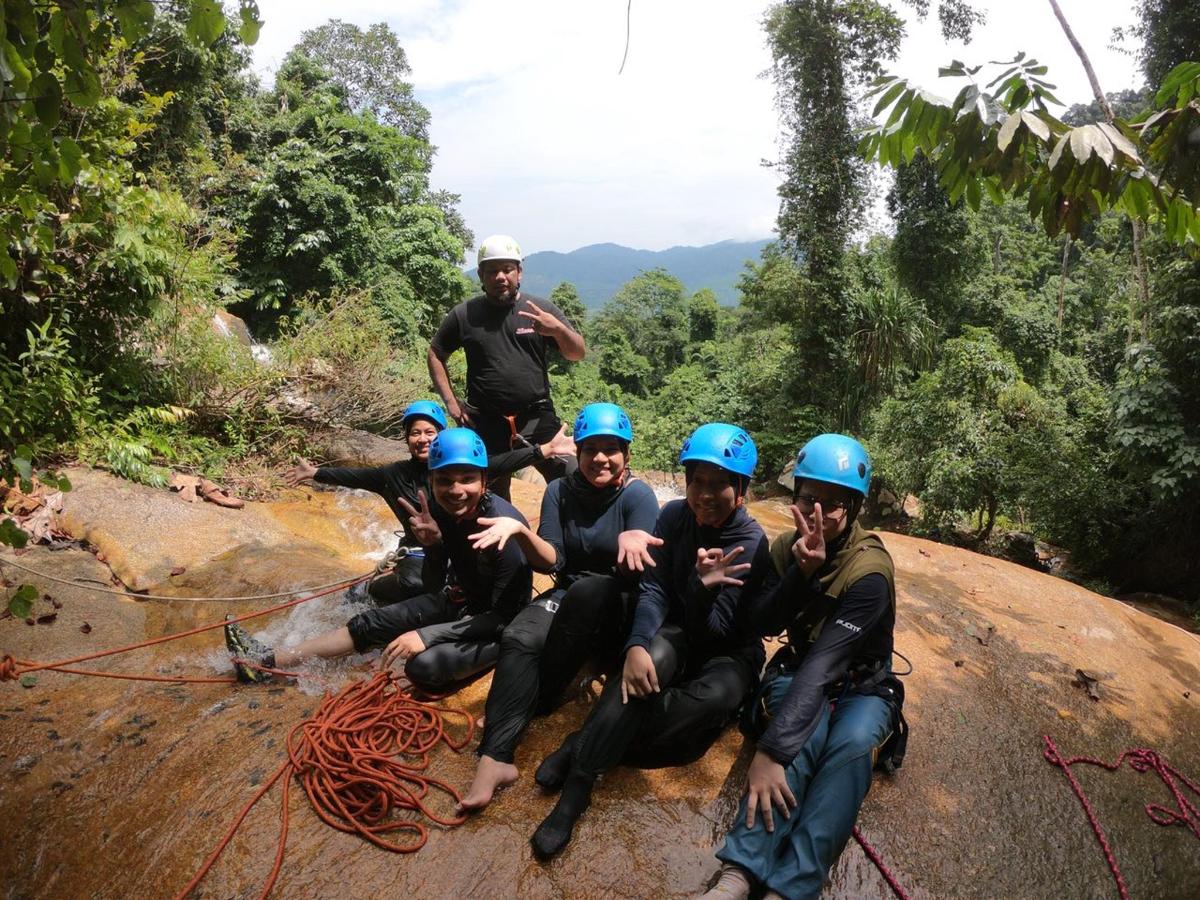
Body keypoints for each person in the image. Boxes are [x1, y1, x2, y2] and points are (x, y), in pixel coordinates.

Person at [529, 423, 772, 859]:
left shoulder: (749, 541)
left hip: (728, 651)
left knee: (708, 706)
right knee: (649, 659)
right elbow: (655, 589)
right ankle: (576, 794)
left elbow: (717, 630)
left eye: (720, 485)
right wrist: (637, 645)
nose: (705, 494)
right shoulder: (675, 515)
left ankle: (581, 743)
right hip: (679, 632)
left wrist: (701, 590)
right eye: (697, 481)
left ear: (742, 489)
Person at [701, 434, 904, 900]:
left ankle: (792, 886)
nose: (818, 512)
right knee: (806, 732)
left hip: (861, 684)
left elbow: (829, 664)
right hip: (799, 669)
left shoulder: (870, 571)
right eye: (809, 498)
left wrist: (770, 753)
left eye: (834, 503)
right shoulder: (782, 549)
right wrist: (801, 574)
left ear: (854, 509)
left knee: (850, 746)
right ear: (795, 498)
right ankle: (740, 872)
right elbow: (757, 623)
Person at [454, 403, 661, 813]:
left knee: (588, 595)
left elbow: (651, 573)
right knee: (518, 634)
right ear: (577, 453)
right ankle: (495, 758)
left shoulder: (638, 496)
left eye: (611, 449)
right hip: (571, 593)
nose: (600, 457)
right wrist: (519, 532)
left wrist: (631, 549)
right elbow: (553, 562)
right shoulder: (558, 491)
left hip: (620, 603)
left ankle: (536, 702)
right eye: (591, 449)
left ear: (626, 455)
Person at [225, 428, 533, 692]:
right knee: (370, 623)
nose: (456, 490)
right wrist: (435, 547)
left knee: (423, 669)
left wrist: (427, 635)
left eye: (467, 479)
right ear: (433, 480)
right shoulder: (441, 512)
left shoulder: (502, 524)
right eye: (445, 480)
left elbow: (504, 615)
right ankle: (266, 663)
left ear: (484, 480)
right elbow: (433, 584)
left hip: (501, 624)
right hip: (462, 601)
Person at [283, 400, 573, 606]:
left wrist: (544, 450)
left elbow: (504, 461)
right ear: (407, 438)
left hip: (459, 552)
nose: (422, 439)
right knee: (404, 586)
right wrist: (315, 472)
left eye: (429, 432)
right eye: (415, 432)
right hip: (421, 550)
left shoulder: (461, 469)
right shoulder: (392, 474)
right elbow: (353, 476)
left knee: (431, 587)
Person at [427, 233, 586, 500]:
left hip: (537, 417)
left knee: (572, 479)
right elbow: (435, 353)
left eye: (507, 269)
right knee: (491, 496)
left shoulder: (539, 309)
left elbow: (576, 353)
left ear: (519, 272)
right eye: (492, 271)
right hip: (486, 422)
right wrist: (451, 404)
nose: (500, 276)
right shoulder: (465, 314)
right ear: (481, 275)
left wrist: (558, 330)